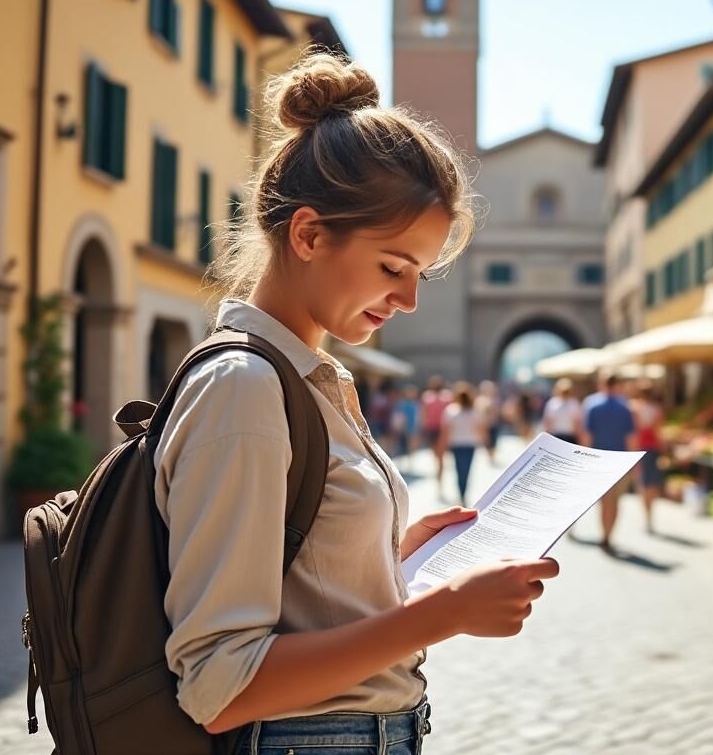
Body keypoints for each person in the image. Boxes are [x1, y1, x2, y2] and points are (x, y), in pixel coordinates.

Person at [164, 54, 557, 750]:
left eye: (420, 275)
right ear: (309, 235)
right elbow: (220, 687)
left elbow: (296, 584)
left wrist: (390, 555)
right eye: (392, 267)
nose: (408, 299)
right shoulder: (246, 388)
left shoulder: (306, 380)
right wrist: (444, 612)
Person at [581, 373, 636, 553]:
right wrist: (635, 462)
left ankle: (604, 533)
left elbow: (587, 436)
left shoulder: (592, 405)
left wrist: (585, 458)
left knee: (604, 501)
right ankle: (609, 534)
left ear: (602, 384)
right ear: (617, 385)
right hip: (620, 460)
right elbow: (631, 438)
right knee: (616, 501)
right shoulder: (625, 407)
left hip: (599, 460)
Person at [439, 382, 487, 506]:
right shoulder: (475, 412)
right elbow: (481, 428)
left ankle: (461, 493)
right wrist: (485, 441)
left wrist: (442, 444)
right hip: (470, 444)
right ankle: (463, 493)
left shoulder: (451, 411)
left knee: (458, 469)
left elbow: (446, 431)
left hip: (456, 444)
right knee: (467, 470)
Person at [630, 380, 664, 535]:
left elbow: (632, 432)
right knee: (652, 483)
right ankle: (650, 516)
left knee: (641, 483)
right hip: (652, 449)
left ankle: (646, 515)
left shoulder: (634, 408)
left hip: (639, 449)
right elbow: (658, 433)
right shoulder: (656, 409)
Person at [421, 376, 452, 484]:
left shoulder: (447, 395)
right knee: (435, 453)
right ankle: (439, 469)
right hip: (431, 428)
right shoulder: (427, 396)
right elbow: (424, 413)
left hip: (442, 429)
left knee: (441, 454)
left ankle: (440, 476)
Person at [541, 379, 582, 444]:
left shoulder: (552, 403)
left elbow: (547, 423)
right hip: (564, 436)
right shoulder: (573, 403)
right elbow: (577, 424)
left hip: (562, 436)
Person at [390, 385, 421, 469]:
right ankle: (399, 461)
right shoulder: (401, 404)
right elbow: (397, 416)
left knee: (411, 445)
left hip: (412, 427)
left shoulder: (416, 404)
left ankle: (410, 462)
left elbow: (418, 416)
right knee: (400, 444)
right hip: (403, 428)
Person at [476, 380, 501, 464]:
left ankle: (491, 456)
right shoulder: (480, 400)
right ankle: (490, 455)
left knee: (493, 441)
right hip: (485, 424)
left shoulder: (495, 399)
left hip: (493, 423)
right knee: (487, 441)